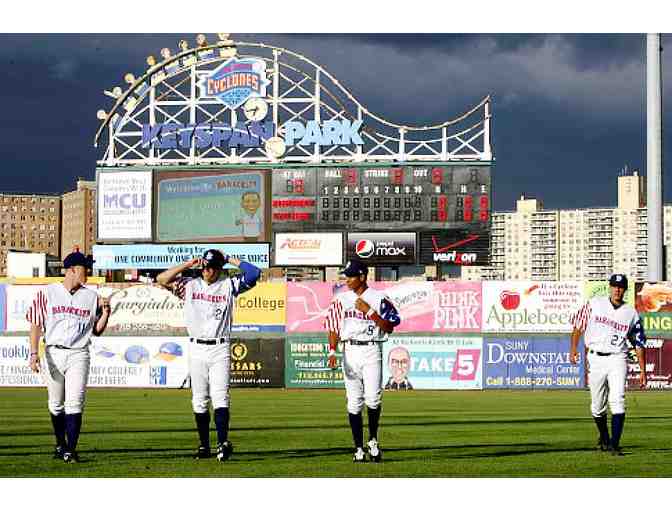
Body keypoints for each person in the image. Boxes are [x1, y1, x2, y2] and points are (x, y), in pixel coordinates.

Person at [156, 249, 261, 461]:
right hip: (196, 347)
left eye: (211, 267)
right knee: (199, 400)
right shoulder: (189, 285)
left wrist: (229, 258)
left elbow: (254, 273)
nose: (207, 271)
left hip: (219, 347)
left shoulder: (228, 285)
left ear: (219, 268)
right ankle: (204, 446)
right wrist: (188, 263)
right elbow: (162, 279)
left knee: (220, 396)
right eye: (205, 267)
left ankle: (222, 443)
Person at [26, 250, 111, 463]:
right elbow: (35, 323)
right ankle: (60, 444)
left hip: (79, 353)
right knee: (55, 404)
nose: (88, 272)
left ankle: (71, 450)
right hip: (53, 351)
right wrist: (34, 352)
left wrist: (107, 313)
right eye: (85, 268)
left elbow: (97, 331)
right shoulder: (47, 293)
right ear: (72, 270)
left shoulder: (91, 297)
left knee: (75, 403)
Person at [325, 259, 400, 463]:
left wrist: (369, 311)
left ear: (362, 276)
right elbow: (332, 327)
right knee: (354, 403)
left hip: (371, 349)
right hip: (349, 350)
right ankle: (358, 448)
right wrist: (332, 351)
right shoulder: (340, 299)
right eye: (346, 275)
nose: (347, 279)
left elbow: (390, 326)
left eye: (350, 276)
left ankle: (373, 440)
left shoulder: (379, 297)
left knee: (373, 399)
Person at [569, 274, 647, 456]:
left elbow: (639, 343)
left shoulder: (631, 313)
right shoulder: (594, 303)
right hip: (595, 357)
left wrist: (643, 370)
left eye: (620, 287)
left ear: (625, 290)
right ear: (609, 287)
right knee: (597, 406)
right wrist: (573, 349)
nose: (617, 289)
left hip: (617, 358)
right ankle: (604, 436)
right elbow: (578, 327)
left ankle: (614, 443)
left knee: (617, 399)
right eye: (614, 286)